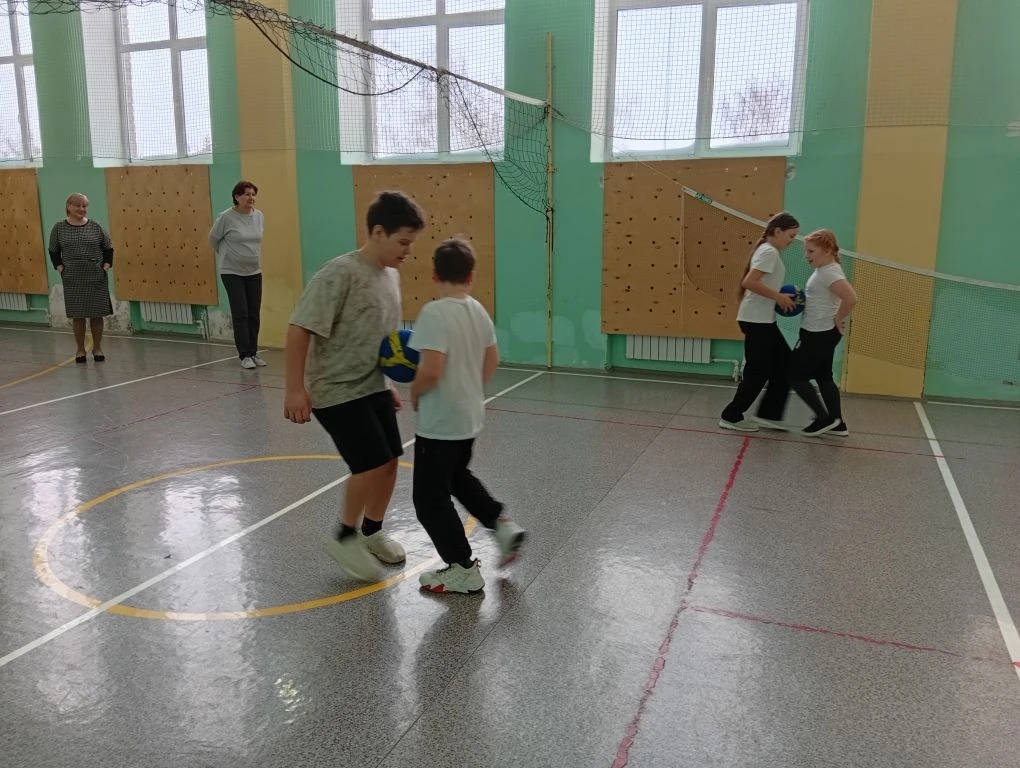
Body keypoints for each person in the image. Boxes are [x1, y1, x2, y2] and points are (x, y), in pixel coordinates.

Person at [283, 191, 426, 582]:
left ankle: (372, 532)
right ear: (378, 233)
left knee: (390, 461)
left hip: (372, 385)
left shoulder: (391, 276)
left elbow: (384, 339)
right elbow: (299, 329)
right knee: (369, 463)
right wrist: (294, 389)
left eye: (411, 243)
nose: (408, 251)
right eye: (403, 242)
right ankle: (344, 537)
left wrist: (388, 381)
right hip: (336, 389)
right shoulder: (338, 274)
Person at [409, 237, 526, 594]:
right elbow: (493, 359)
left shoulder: (434, 313)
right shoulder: (478, 310)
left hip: (440, 423)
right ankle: (501, 525)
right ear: (471, 276)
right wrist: (470, 389)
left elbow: (431, 370)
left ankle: (461, 567)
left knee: (429, 498)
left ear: (434, 275)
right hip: (469, 418)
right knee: (457, 476)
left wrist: (415, 391)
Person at [719, 212, 800, 432]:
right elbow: (749, 282)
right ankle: (731, 415)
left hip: (763, 320)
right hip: (756, 321)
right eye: (791, 236)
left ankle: (769, 415)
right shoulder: (768, 252)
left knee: (786, 365)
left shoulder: (768, 251)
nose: (792, 241)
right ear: (778, 231)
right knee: (758, 371)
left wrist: (779, 297)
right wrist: (779, 297)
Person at [787, 229, 857, 436]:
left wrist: (838, 318)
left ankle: (824, 418)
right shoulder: (825, 269)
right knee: (823, 375)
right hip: (820, 331)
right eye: (806, 251)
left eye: (811, 251)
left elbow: (851, 298)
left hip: (819, 333)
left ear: (827, 250)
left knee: (794, 374)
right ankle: (838, 424)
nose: (806, 255)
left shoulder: (829, 273)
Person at [48, 193, 114, 364]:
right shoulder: (59, 228)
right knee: (78, 316)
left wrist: (105, 267)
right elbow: (53, 251)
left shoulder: (96, 226)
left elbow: (108, 249)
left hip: (96, 277)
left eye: (84, 206)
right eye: (77, 205)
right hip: (72, 278)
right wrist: (60, 268)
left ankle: (97, 348)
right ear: (68, 206)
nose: (81, 209)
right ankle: (80, 350)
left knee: (97, 315)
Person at [209, 181, 265, 369]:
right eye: (247, 194)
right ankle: (244, 355)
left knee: (253, 313)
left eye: (253, 194)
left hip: (254, 271)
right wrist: (228, 256)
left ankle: (254, 352)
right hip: (232, 272)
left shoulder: (259, 216)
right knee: (241, 313)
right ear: (237, 197)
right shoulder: (226, 217)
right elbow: (213, 239)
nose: (251, 198)